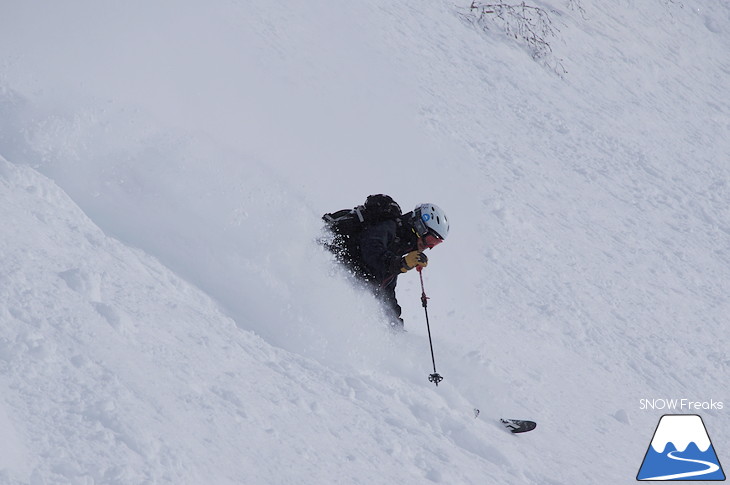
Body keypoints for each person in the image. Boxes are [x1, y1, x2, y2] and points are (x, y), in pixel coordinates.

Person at [324, 196, 449, 329]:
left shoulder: (399, 245)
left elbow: (386, 286)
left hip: (343, 277)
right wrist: (402, 263)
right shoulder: (390, 227)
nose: (428, 246)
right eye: (430, 240)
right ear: (420, 227)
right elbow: (371, 250)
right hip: (330, 260)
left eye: (435, 244)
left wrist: (394, 321)